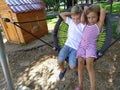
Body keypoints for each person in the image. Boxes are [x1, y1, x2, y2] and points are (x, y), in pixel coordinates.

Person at [75, 5, 106, 90]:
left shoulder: (98, 25)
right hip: (82, 46)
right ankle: (80, 86)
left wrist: (97, 10)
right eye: (89, 17)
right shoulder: (86, 23)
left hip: (91, 47)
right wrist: (86, 9)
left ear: (98, 16)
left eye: (93, 17)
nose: (91, 19)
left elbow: (103, 11)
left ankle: (92, 88)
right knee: (80, 62)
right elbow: (84, 14)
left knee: (89, 64)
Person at [57, 4, 85, 80]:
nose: (75, 21)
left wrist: (82, 13)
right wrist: (72, 13)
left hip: (76, 49)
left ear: (81, 17)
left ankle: (78, 70)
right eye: (73, 18)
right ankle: (63, 70)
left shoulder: (83, 24)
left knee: (72, 66)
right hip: (67, 45)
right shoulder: (70, 21)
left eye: (78, 18)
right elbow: (61, 14)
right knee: (59, 61)